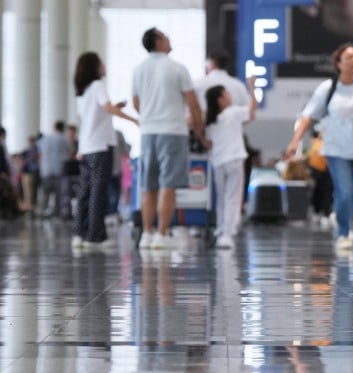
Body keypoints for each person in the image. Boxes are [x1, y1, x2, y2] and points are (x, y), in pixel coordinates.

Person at [283, 43, 353, 253]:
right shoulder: (328, 88)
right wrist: (295, 142)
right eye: (349, 58)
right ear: (338, 63)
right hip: (336, 150)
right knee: (345, 192)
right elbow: (308, 116)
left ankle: (340, 214)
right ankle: (343, 232)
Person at [132, 27, 206, 250]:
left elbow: (136, 102)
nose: (169, 39)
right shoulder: (177, 68)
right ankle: (162, 234)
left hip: (148, 132)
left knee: (148, 185)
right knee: (168, 184)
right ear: (158, 42)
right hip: (173, 130)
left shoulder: (139, 69)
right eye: (165, 36)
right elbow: (193, 103)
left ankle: (146, 234)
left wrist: (148, 116)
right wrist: (199, 128)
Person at [73, 51, 138, 249]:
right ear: (95, 67)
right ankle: (96, 236)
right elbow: (107, 108)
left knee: (85, 191)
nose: (104, 66)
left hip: (86, 147)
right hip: (101, 147)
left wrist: (113, 107)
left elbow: (94, 116)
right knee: (98, 192)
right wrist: (133, 119)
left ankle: (80, 234)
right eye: (101, 63)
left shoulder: (82, 92)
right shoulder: (98, 85)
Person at [204, 77, 257, 249]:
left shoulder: (211, 120)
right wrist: (252, 87)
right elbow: (252, 111)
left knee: (221, 197)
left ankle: (221, 229)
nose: (230, 97)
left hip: (217, 161)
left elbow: (207, 141)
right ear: (220, 100)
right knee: (233, 198)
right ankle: (227, 234)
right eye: (226, 94)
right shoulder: (232, 113)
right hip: (234, 158)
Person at [37, 121, 73, 218]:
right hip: (59, 169)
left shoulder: (45, 138)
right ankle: (57, 213)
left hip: (46, 169)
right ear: (63, 128)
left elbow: (40, 153)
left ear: (54, 127)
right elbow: (70, 152)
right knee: (59, 193)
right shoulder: (64, 138)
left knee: (45, 193)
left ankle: (42, 212)